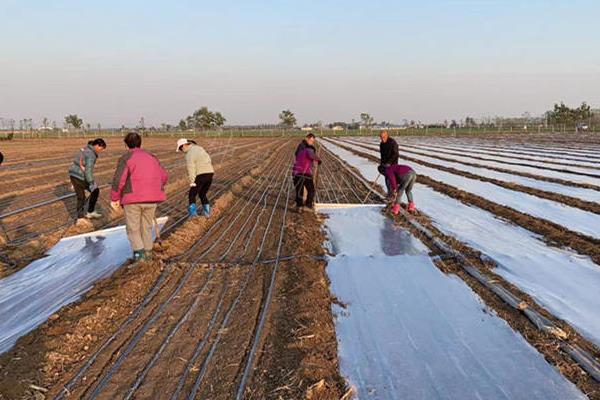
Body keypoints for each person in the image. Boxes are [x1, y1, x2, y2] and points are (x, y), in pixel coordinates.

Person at [111, 132, 168, 261]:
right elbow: (164, 176)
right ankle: (148, 254)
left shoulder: (126, 158)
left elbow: (119, 180)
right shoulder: (152, 157)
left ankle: (140, 257)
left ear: (126, 145)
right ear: (140, 143)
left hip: (132, 200)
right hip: (152, 199)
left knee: (133, 229)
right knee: (147, 227)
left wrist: (115, 198)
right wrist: (154, 188)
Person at [68, 138, 106, 225]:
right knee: (94, 191)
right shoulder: (91, 155)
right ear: (97, 145)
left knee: (81, 196)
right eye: (101, 148)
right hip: (80, 176)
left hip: (73, 174)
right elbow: (88, 170)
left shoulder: (85, 149)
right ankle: (88, 213)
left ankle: (82, 216)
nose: (101, 151)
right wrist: (91, 182)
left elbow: (77, 161)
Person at [176, 138, 214, 217]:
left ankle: (193, 216)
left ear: (185, 145)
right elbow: (208, 159)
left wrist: (192, 181)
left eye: (180, 148)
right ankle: (207, 213)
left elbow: (191, 168)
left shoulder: (189, 154)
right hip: (210, 173)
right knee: (202, 193)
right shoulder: (199, 148)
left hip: (201, 174)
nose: (181, 150)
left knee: (192, 194)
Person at [292, 133, 321, 212]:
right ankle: (308, 206)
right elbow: (312, 156)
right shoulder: (307, 149)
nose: (312, 142)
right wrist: (319, 160)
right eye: (311, 141)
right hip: (304, 172)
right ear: (307, 138)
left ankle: (299, 207)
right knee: (311, 189)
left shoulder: (301, 150)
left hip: (296, 172)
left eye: (313, 141)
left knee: (299, 190)